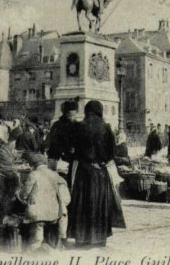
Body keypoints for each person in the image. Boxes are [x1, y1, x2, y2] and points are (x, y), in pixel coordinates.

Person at [67, 100, 126, 248]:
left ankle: (82, 238)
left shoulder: (79, 127)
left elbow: (73, 150)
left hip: (83, 172)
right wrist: (101, 162)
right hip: (100, 173)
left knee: (82, 203)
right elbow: (112, 152)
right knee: (99, 203)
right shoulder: (106, 128)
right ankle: (99, 238)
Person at [19, 153, 69, 252]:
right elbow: (63, 190)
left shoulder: (33, 174)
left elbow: (24, 194)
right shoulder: (55, 174)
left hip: (38, 214)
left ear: (33, 165)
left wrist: (21, 195)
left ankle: (34, 250)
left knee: (36, 237)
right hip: (53, 213)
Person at [44, 101, 79, 183]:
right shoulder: (57, 125)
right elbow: (51, 140)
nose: (72, 117)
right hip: (59, 157)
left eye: (74, 115)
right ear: (65, 113)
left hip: (72, 158)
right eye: (69, 115)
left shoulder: (77, 125)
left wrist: (75, 148)